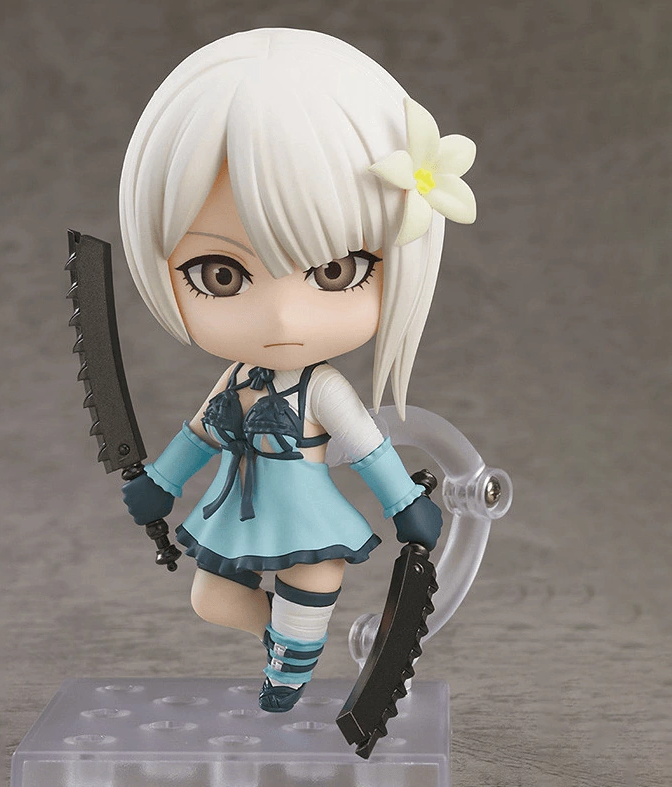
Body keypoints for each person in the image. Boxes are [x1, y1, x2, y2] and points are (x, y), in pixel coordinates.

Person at [118, 28, 476, 712]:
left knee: (308, 592)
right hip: (236, 508)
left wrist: (404, 502)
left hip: (310, 517)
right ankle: (286, 648)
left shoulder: (323, 387)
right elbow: (201, 432)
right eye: (221, 275)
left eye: (335, 270)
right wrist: (161, 482)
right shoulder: (235, 379)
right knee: (211, 597)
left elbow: (368, 449)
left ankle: (288, 671)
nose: (282, 316)